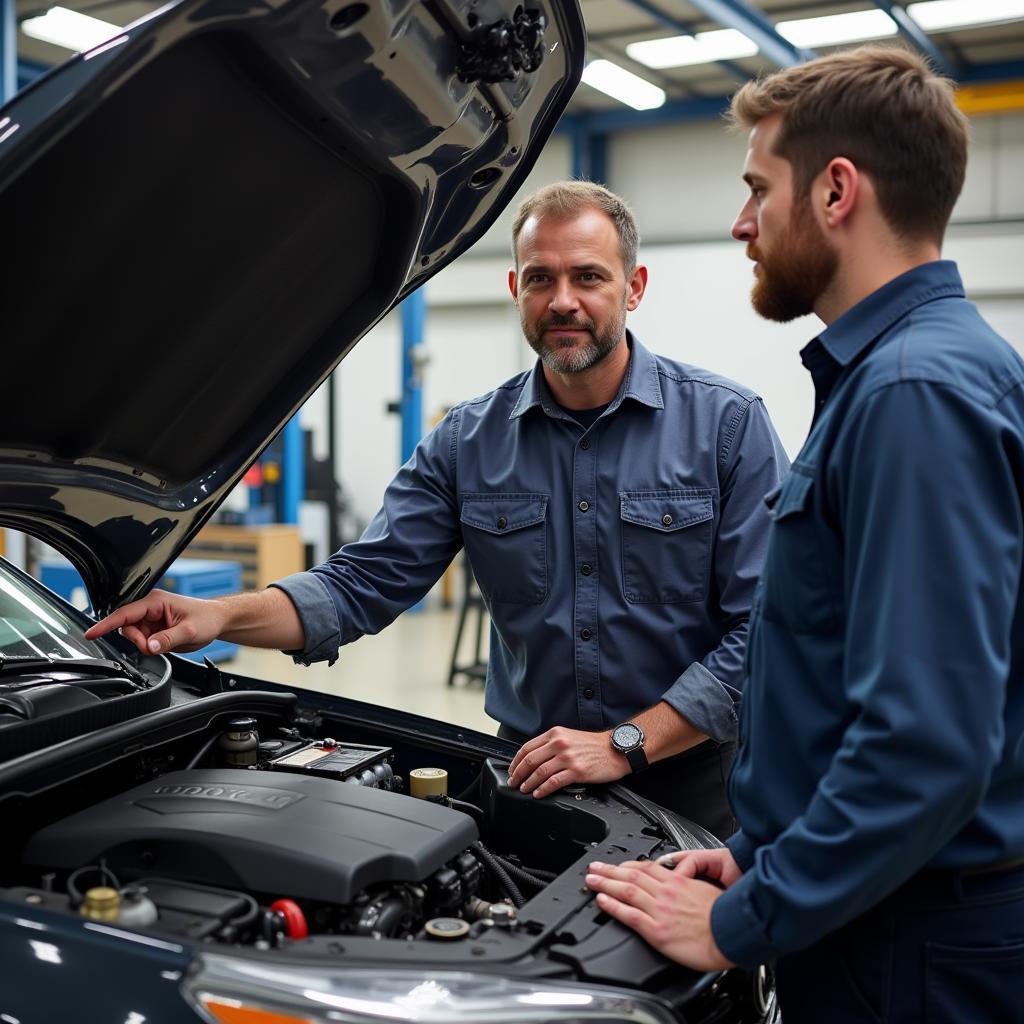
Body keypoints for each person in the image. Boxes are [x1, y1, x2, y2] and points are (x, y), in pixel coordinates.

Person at [86, 181, 787, 838]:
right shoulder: (467, 440)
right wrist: (217, 616)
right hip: (532, 774)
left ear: (633, 288)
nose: (562, 300)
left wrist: (625, 744)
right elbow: (360, 584)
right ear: (516, 289)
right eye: (540, 278)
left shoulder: (726, 427)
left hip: (694, 783)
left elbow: (762, 632)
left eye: (589, 277)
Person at [584, 45, 1024, 1022]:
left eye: (755, 190)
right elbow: (840, 675)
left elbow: (925, 744)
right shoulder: (896, 376)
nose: (741, 225)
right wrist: (755, 851)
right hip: (873, 902)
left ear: (835, 191)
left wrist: (743, 918)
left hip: (912, 946)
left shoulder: (913, 394)